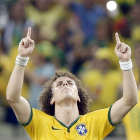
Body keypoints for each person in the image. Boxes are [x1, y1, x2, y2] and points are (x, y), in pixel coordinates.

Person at [6, 27, 138, 140]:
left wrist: (125, 62)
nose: (65, 85)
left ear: (79, 96)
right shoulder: (39, 122)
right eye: (59, 84)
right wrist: (22, 58)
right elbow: (13, 98)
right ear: (51, 98)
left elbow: (129, 101)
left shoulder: (94, 122)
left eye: (70, 83)